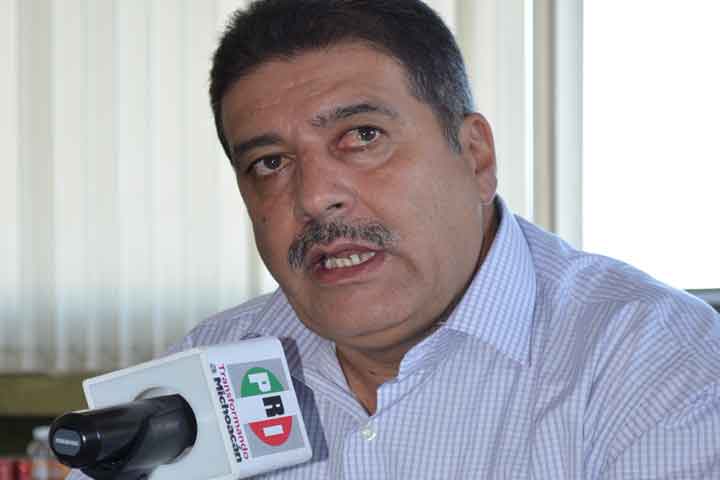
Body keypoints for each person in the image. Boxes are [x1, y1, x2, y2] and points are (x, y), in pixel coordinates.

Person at [70, 0, 720, 478]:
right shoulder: (206, 369)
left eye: (362, 136)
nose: (314, 196)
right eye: (269, 163)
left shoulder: (657, 363)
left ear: (475, 155)